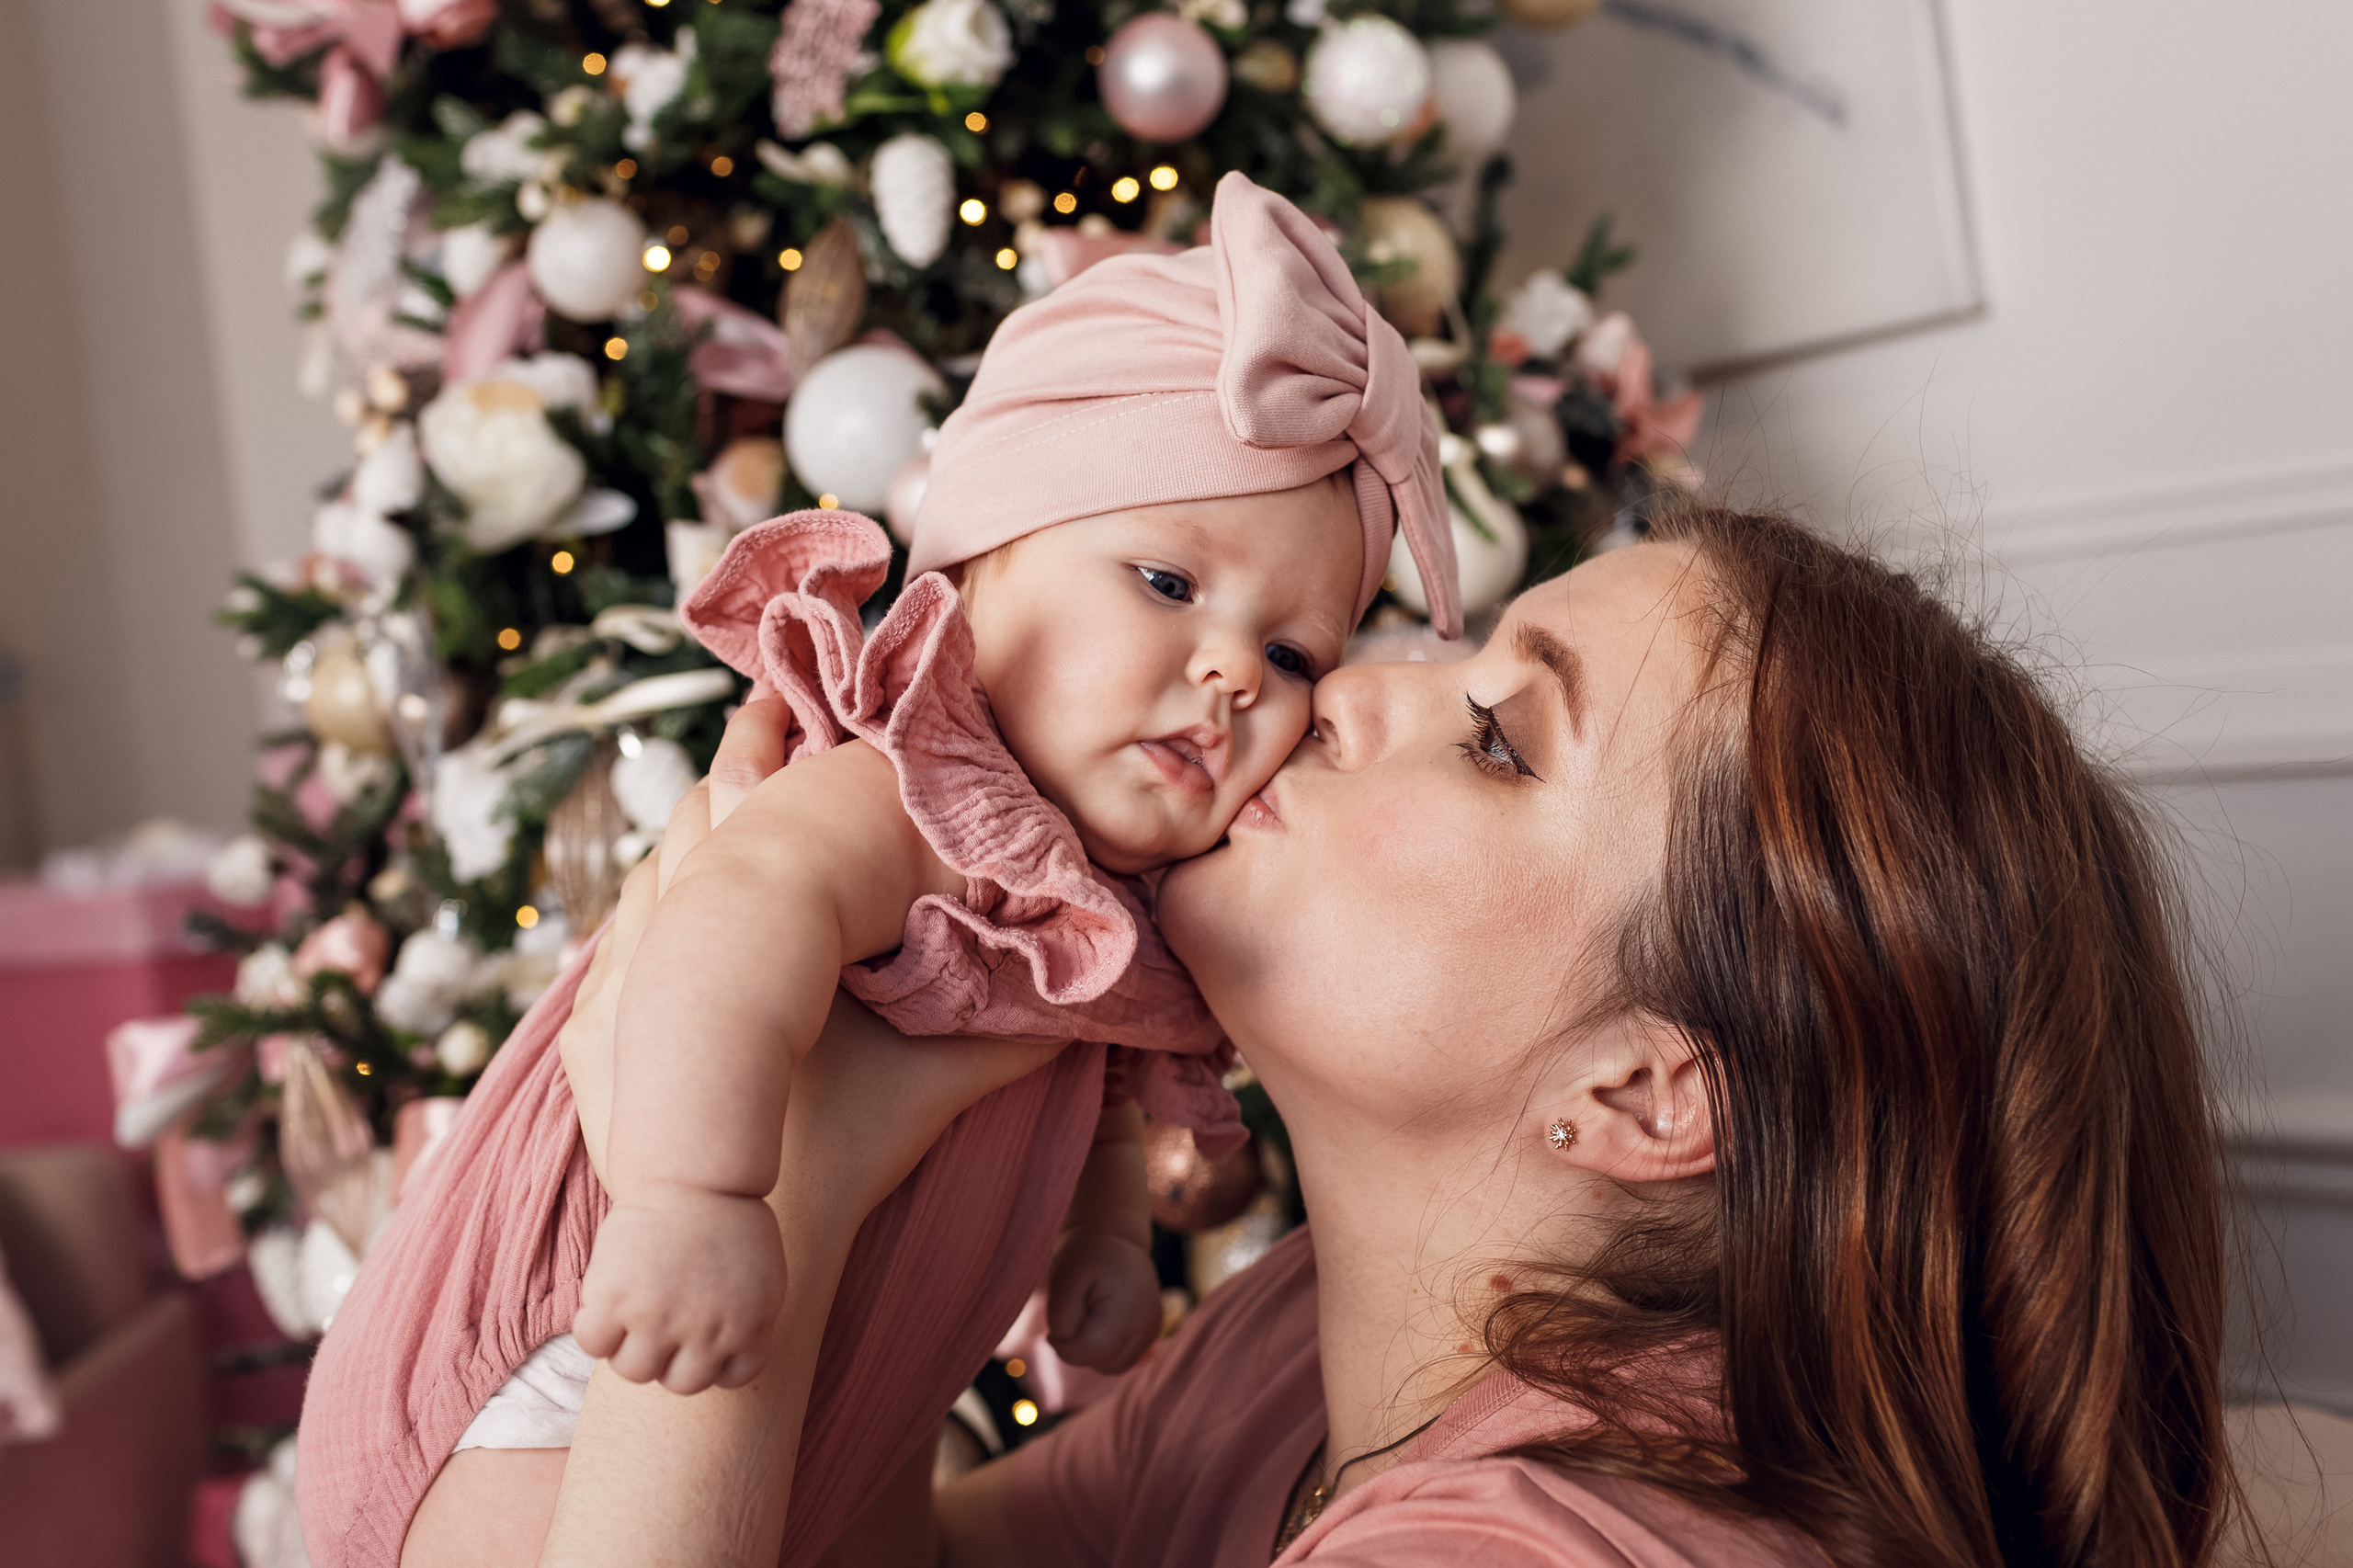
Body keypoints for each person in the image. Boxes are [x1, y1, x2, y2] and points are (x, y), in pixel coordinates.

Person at [540, 506, 2236, 1567]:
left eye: (1498, 736)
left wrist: (748, 1214)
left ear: (1643, 1088)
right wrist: (874, 1179)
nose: (1339, 688)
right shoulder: (1327, 1352)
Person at [299, 172, 1459, 1568]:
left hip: (817, 1361)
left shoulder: (1119, 903)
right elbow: (731, 918)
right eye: (1166, 581)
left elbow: (1089, 1069)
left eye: (1291, 657)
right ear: (977, 573)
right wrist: (695, 1199)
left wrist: (1105, 1238)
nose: (1227, 671)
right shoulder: (918, 786)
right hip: (567, 1357)